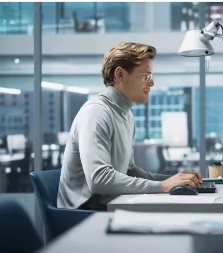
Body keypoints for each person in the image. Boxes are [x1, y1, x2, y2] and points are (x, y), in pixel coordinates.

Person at [57, 42, 201, 210]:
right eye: (146, 76)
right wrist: (162, 186)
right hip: (82, 214)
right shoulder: (96, 112)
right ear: (120, 74)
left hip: (108, 205)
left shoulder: (126, 115)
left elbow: (129, 170)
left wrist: (173, 180)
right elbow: (99, 179)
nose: (151, 83)